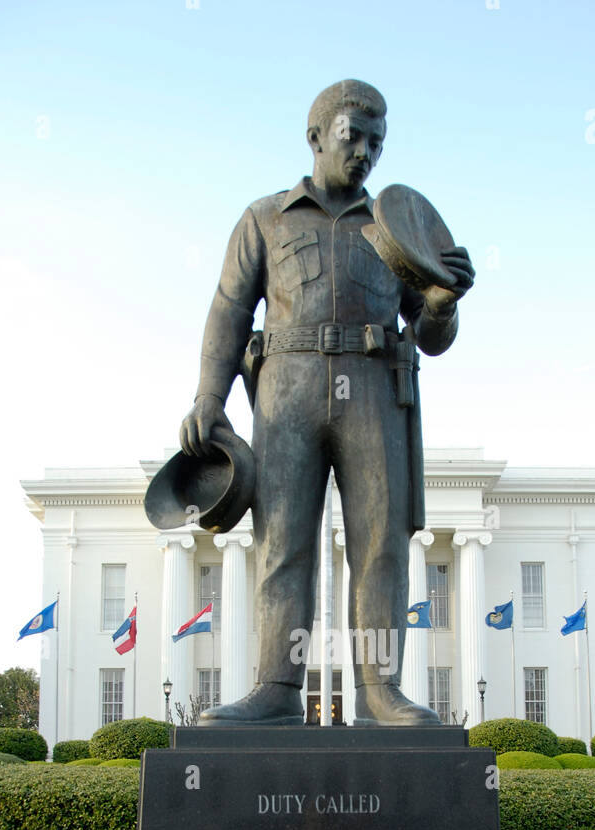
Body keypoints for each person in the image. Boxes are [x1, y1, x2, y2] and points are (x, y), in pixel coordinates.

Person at [179, 79, 475, 724]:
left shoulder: (395, 229)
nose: (365, 151)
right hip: (287, 390)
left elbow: (429, 337)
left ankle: (378, 692)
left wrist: (442, 304)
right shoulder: (263, 218)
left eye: (377, 142)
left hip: (373, 387)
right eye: (353, 135)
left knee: (381, 544)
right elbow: (229, 310)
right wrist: (209, 393)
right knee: (283, 541)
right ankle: (276, 692)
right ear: (316, 136)